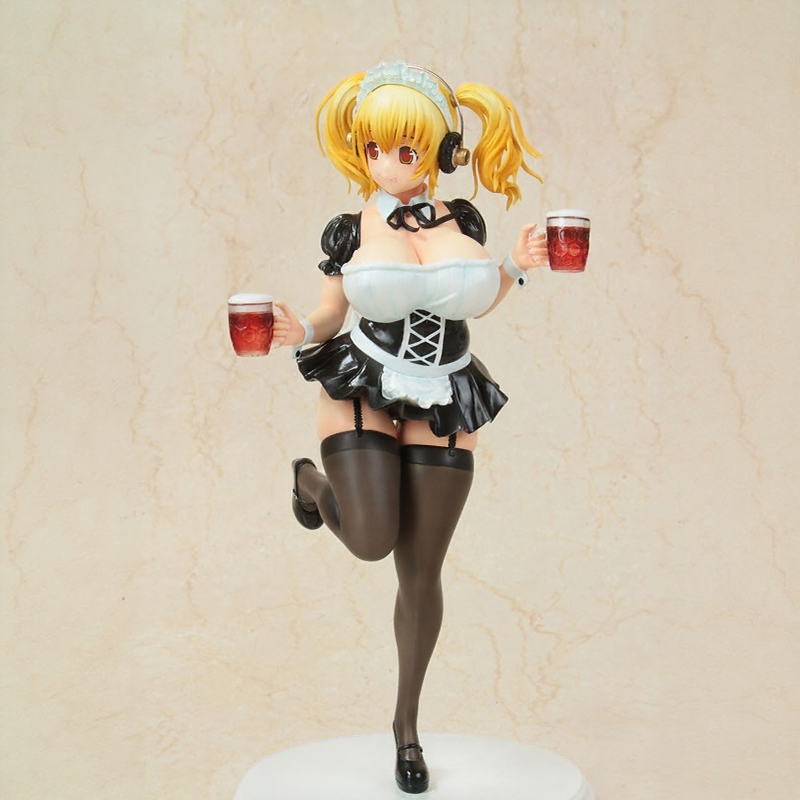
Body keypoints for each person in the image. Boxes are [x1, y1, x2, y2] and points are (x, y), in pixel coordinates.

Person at [272, 61, 548, 794]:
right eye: (374, 149)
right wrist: (303, 329)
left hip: (447, 390)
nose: (388, 164)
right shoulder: (351, 227)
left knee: (420, 571)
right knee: (370, 540)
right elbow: (332, 310)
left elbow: (477, 297)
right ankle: (310, 481)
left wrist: (516, 266)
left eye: (405, 149)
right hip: (365, 381)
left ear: (440, 151)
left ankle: (406, 727)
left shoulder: (464, 219)